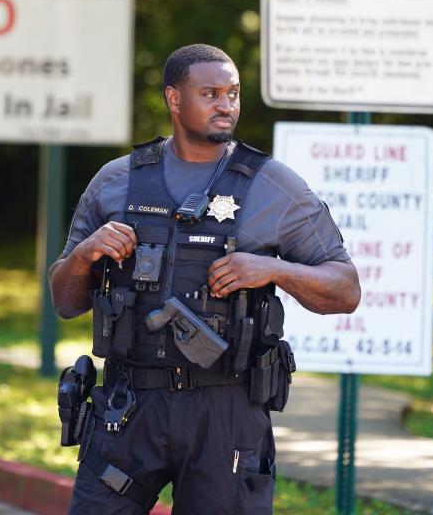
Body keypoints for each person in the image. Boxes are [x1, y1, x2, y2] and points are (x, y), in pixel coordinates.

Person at [49, 43, 360, 514]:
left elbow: (345, 288)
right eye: (210, 93)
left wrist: (272, 268)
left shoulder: (273, 185)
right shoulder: (118, 181)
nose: (226, 106)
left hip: (226, 412)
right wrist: (85, 255)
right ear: (174, 99)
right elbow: (65, 301)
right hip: (129, 405)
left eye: (232, 94)